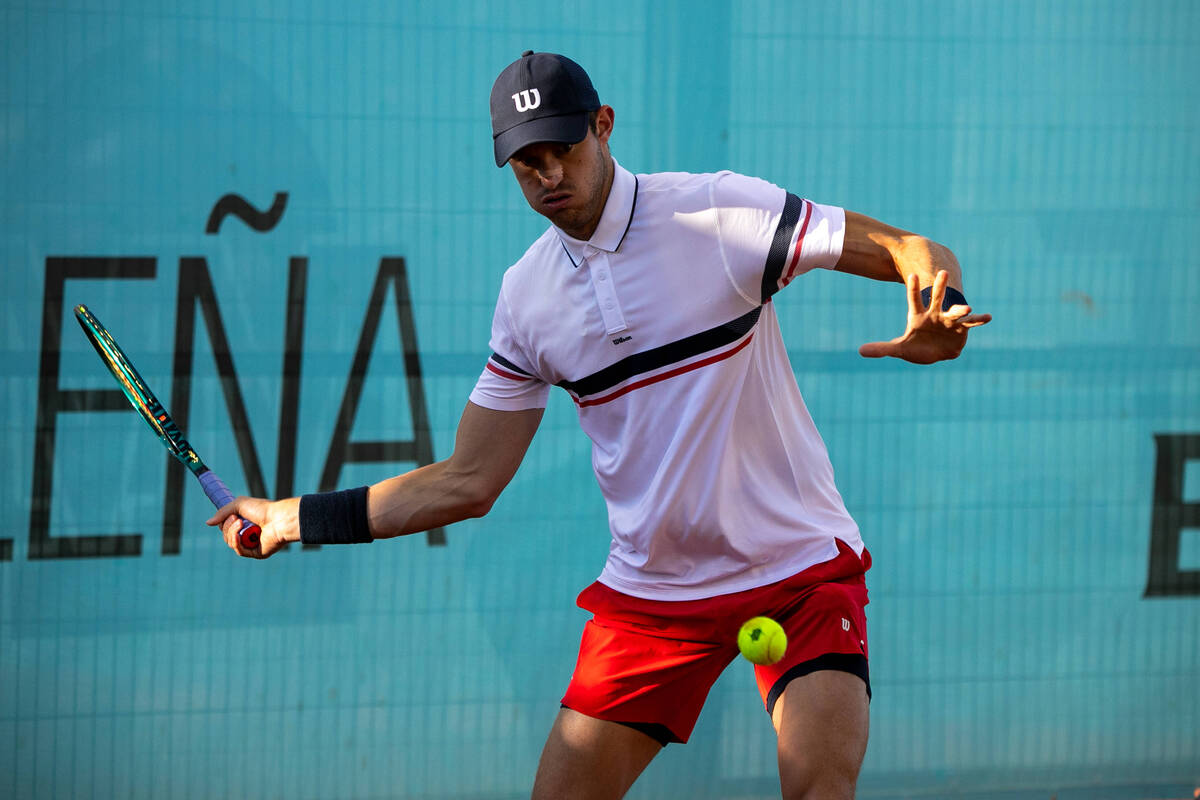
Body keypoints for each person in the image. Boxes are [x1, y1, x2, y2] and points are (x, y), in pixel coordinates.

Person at [211, 51, 990, 800]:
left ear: (604, 126)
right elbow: (466, 481)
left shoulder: (716, 214)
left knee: (820, 786)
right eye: (526, 164)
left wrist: (941, 310)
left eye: (563, 149)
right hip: (653, 598)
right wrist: (291, 518)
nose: (549, 176)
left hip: (797, 573)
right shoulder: (527, 299)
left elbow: (908, 248)